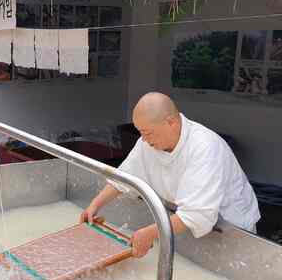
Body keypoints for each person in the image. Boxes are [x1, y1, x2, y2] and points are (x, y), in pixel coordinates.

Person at [79, 92, 261, 258]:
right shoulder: (148, 142)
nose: (144, 140)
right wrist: (95, 205)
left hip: (230, 229)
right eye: (141, 133)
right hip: (186, 220)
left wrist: (149, 233)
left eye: (148, 133)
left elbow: (198, 214)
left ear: (171, 122)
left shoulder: (204, 147)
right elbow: (126, 177)